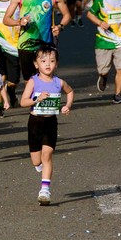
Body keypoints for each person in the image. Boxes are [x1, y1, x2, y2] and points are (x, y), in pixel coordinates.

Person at [20, 44, 73, 205]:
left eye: (51, 61)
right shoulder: (33, 81)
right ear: (36, 64)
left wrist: (67, 105)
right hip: (35, 122)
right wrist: (37, 99)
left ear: (56, 64)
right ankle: (41, 169)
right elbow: (23, 101)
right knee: (37, 161)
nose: (48, 64)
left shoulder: (59, 82)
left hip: (51, 122)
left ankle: (45, 190)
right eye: (43, 61)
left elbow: (70, 92)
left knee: (47, 155)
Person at [3, 0, 71, 81]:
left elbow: (67, 15)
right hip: (25, 44)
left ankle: (43, 99)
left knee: (46, 77)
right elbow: (6, 19)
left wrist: (60, 26)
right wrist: (19, 22)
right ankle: (32, 100)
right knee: (30, 80)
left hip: (47, 43)